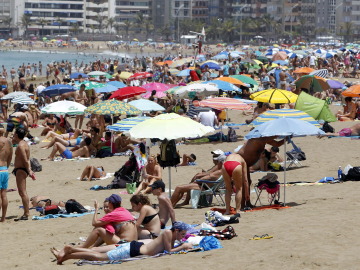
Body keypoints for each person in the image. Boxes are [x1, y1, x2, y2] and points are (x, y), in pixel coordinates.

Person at [51, 221, 193, 264]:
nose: (183, 236)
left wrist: (181, 244)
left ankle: (68, 254)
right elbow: (169, 251)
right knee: (99, 257)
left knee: (97, 254)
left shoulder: (172, 236)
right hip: (134, 250)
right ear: (176, 230)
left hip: (137, 247)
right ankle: (71, 251)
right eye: (182, 233)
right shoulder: (168, 233)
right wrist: (184, 246)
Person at [237, 136, 285, 209]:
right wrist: (282, 133)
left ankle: (247, 203)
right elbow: (275, 139)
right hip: (241, 161)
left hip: (246, 163)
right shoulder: (257, 138)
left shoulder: (262, 139)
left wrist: (286, 138)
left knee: (248, 182)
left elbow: (277, 144)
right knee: (244, 183)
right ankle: (243, 205)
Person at [12, 127, 36, 221]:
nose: (13, 135)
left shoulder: (21, 146)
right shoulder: (24, 144)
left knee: (22, 192)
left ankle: (26, 213)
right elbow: (27, 159)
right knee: (22, 192)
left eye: (14, 134)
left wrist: (29, 170)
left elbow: (25, 159)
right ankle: (26, 212)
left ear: (17, 135)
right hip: (22, 169)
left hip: (21, 170)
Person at [0, 125, 12, 222]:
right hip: (5, 169)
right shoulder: (8, 142)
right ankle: (3, 217)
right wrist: (7, 167)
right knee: (4, 195)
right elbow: (10, 156)